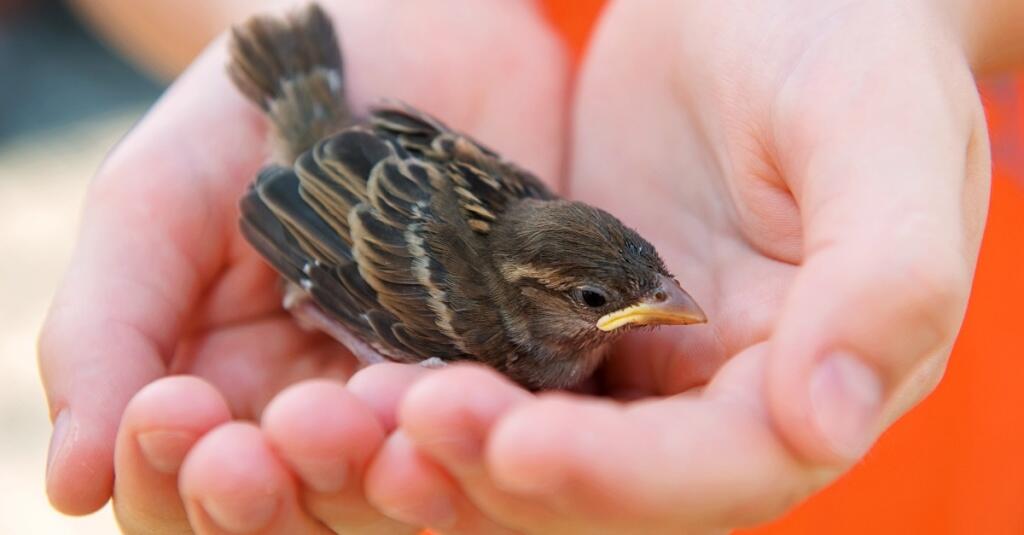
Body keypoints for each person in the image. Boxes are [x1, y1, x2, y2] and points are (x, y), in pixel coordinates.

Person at [37, 0, 1023, 533]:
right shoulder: (463, 320)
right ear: (535, 303)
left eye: (641, 286)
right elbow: (333, 242)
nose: (653, 306)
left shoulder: (537, 244)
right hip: (332, 180)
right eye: (602, 301)